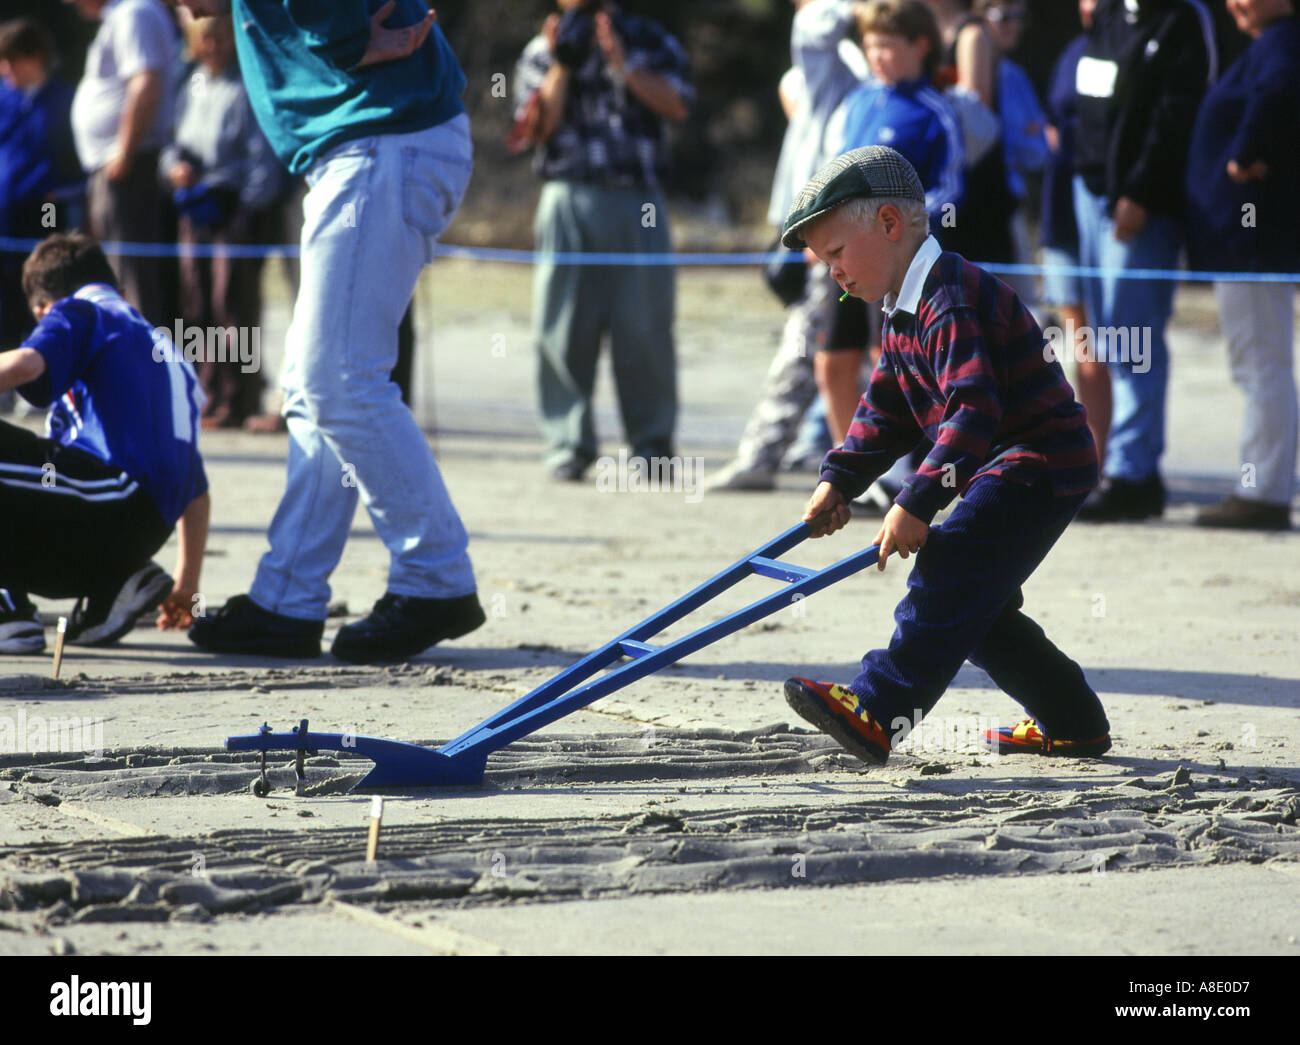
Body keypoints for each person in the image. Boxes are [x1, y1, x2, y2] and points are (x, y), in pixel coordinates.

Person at [778, 146, 1109, 765]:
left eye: (838, 254)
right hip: (1005, 461)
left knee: (947, 574)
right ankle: (1074, 722)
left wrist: (917, 502)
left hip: (1038, 460)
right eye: (825, 262)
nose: (834, 274)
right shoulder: (901, 307)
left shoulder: (945, 297)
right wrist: (840, 479)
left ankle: (878, 708)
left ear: (888, 225)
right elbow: (888, 409)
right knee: (976, 610)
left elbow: (973, 409)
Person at [179, 0, 485, 663]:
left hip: (382, 141)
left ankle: (437, 578)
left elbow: (337, 28)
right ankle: (287, 600)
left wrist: (344, 38)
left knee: (339, 379)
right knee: (312, 389)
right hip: (366, 146)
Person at [0, 233, 209, 653]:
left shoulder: (81, 310)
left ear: (44, 308)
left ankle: (9, 613)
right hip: (139, 532)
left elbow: (24, 365)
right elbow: (197, 491)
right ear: (124, 292)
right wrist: (187, 587)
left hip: (105, 504)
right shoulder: (166, 351)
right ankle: (121, 582)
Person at [513, 0, 692, 481]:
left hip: (640, 201)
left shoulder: (650, 41)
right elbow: (533, 130)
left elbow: (678, 105)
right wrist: (561, 67)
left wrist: (623, 64)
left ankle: (652, 447)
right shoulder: (541, 49)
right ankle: (567, 445)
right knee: (562, 327)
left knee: (645, 327)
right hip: (567, 195)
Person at [1072, 0, 1216, 522]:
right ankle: (1119, 467)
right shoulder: (1109, 15)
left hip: (1140, 204)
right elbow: (1090, 98)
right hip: (1088, 193)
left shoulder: (1182, 18)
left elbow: (1177, 113)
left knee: (1134, 339)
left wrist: (1141, 189)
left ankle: (1135, 475)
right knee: (1107, 337)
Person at [1186, 0, 1299, 531]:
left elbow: (1276, 94)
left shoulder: (1282, 43)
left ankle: (1264, 490)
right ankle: (1265, 485)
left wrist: (1246, 151)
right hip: (1249, 242)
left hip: (1255, 243)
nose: (1236, 2)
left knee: (1261, 365)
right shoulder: (1269, 44)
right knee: (1258, 363)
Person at [161, 13, 281, 429]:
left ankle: (240, 395)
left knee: (232, 306)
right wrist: (174, 168)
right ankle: (207, 392)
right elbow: (172, 142)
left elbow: (262, 156)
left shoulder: (246, 84)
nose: (212, 47)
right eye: (204, 39)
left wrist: (248, 208)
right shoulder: (191, 84)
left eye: (219, 38)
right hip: (195, 207)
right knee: (196, 305)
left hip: (234, 208)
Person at [67, 0, 179, 327]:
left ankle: (143, 363)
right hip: (118, 164)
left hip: (130, 164)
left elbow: (146, 83)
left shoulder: (135, 12)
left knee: (133, 272)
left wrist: (124, 154)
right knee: (121, 269)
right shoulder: (121, 16)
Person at [1039, 0, 1107, 464]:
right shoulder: (1071, 52)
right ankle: (1081, 460)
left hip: (1104, 210)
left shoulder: (1125, 48)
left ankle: (1104, 461)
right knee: (1077, 343)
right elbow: (1051, 123)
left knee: (1108, 344)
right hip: (1062, 209)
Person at [0, 18, 82, 352]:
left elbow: (77, 160)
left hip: (47, 207)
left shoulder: (64, 100)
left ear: (34, 57)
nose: (5, 69)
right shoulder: (4, 99)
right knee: (5, 282)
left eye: (11, 60)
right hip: (6, 211)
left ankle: (42, 360)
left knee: (44, 275)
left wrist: (64, 192)